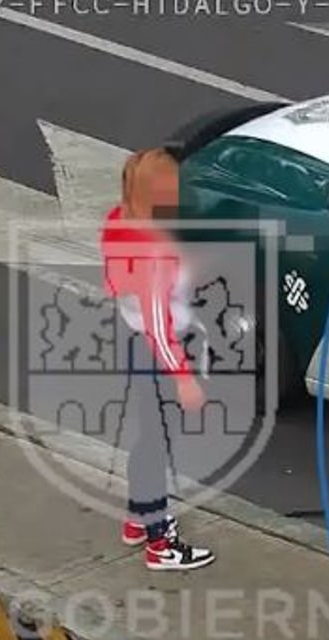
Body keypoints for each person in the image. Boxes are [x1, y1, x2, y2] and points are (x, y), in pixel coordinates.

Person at [99, 147, 215, 571]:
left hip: (132, 340)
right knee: (159, 444)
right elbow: (157, 325)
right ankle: (160, 542)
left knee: (147, 438)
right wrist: (183, 378)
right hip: (157, 352)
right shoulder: (151, 251)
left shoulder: (119, 220)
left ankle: (138, 516)